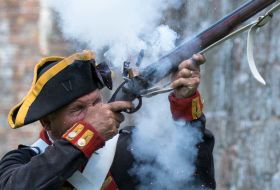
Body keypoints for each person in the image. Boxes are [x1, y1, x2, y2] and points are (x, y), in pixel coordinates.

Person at [0, 50, 215, 190]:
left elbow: (194, 180)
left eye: (96, 103)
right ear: (47, 123)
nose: (95, 114)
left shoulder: (128, 149)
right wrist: (88, 133)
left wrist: (185, 106)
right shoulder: (20, 163)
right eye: (78, 109)